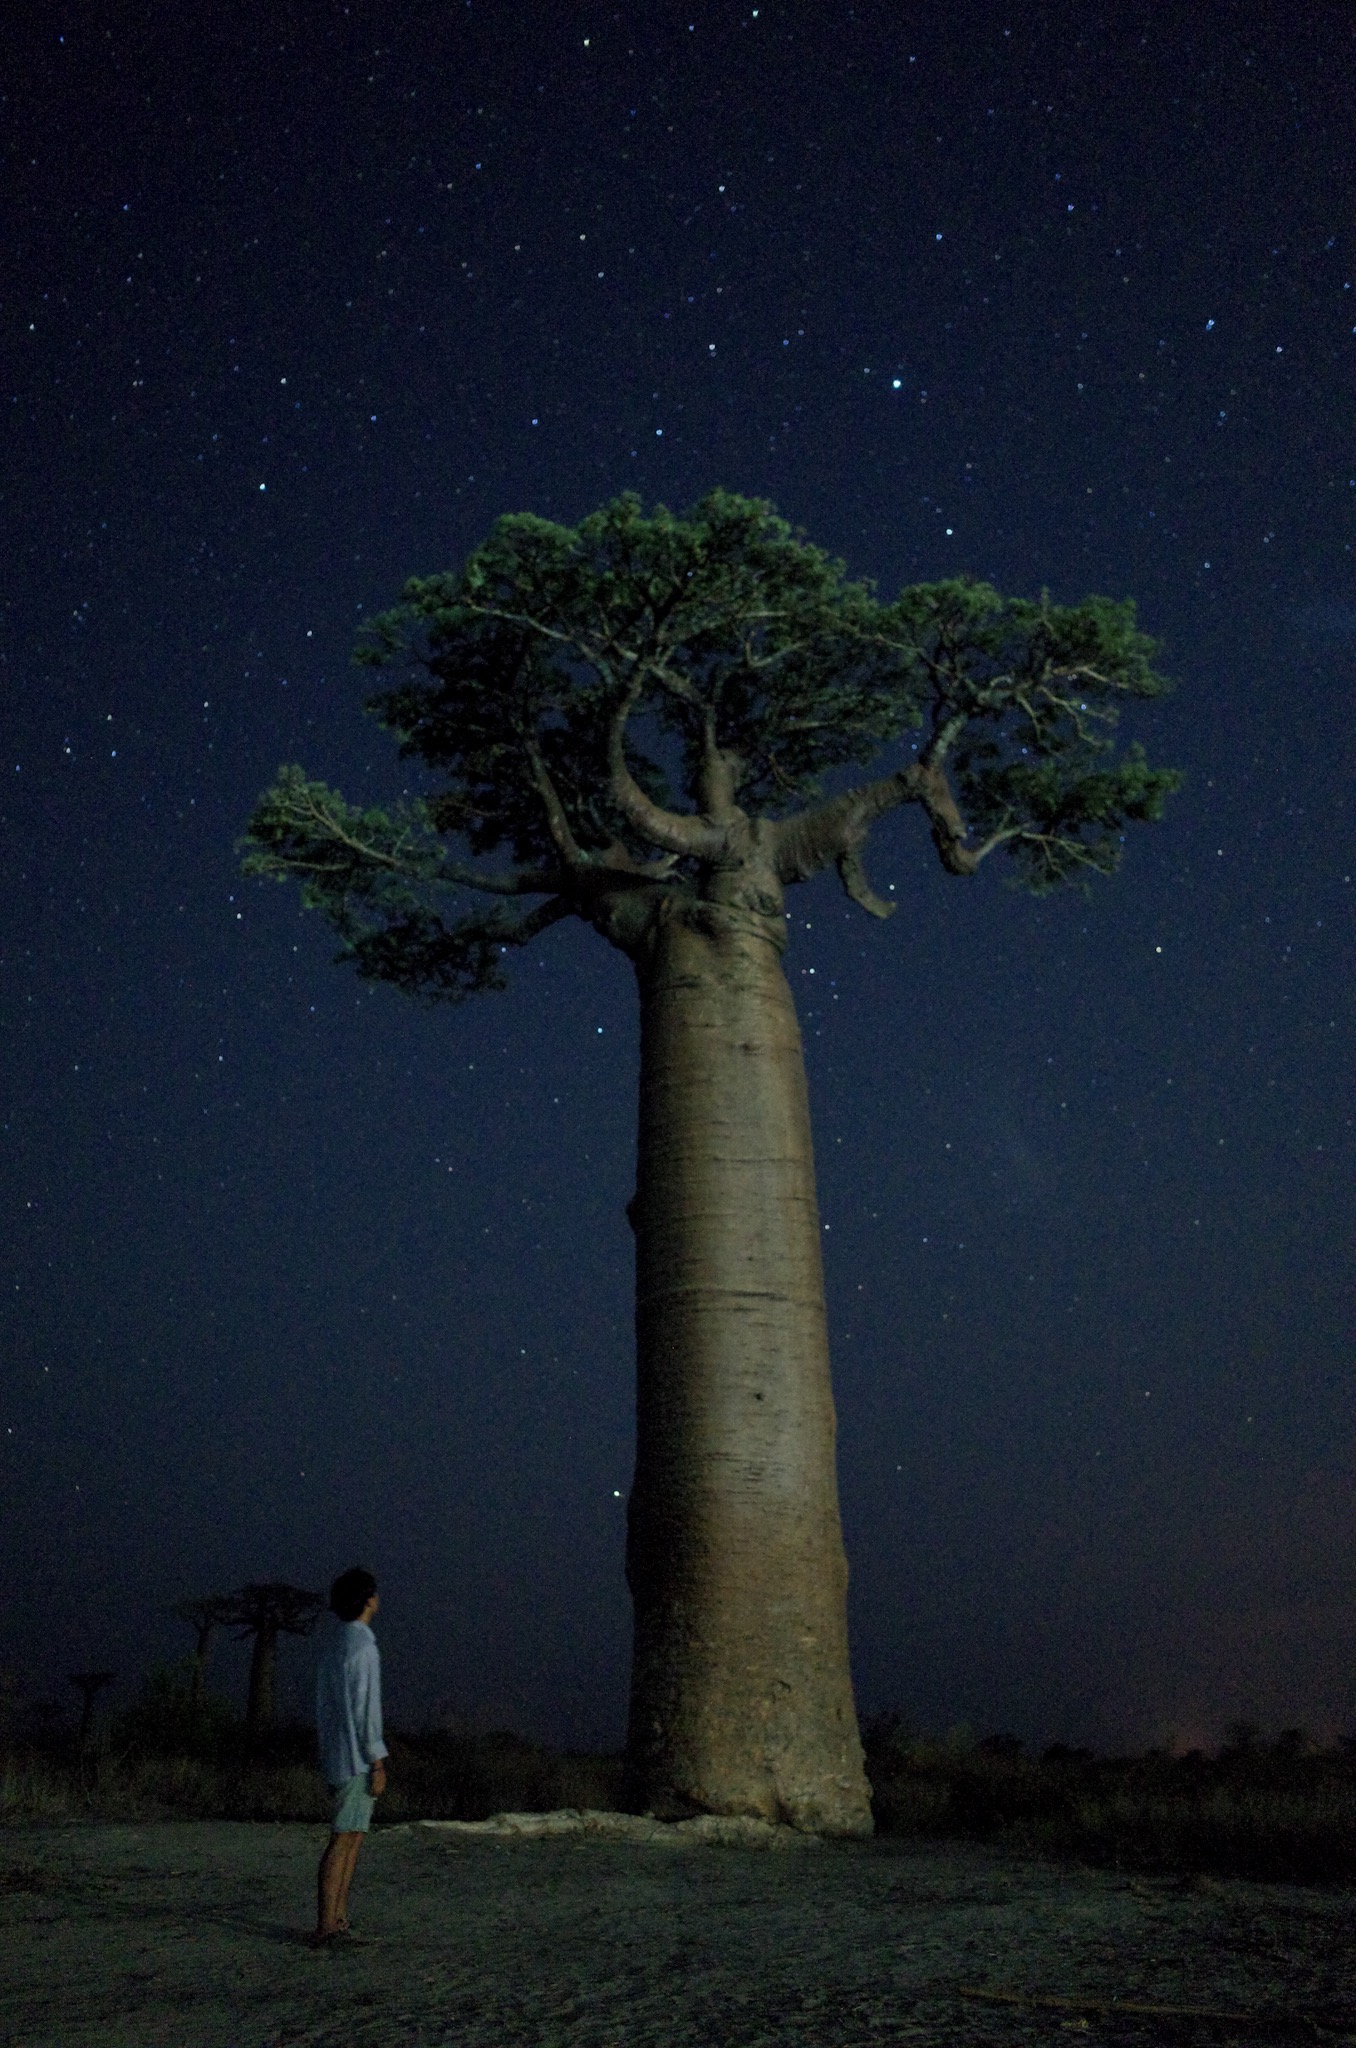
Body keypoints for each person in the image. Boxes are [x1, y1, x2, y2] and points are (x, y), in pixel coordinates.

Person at [312, 1565, 388, 1947]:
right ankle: (328, 1923)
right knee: (344, 1839)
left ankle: (338, 1919)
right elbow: (366, 1708)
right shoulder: (363, 1645)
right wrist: (377, 1759)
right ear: (367, 1599)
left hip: (337, 1753)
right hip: (357, 1758)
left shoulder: (335, 1644)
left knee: (352, 1837)